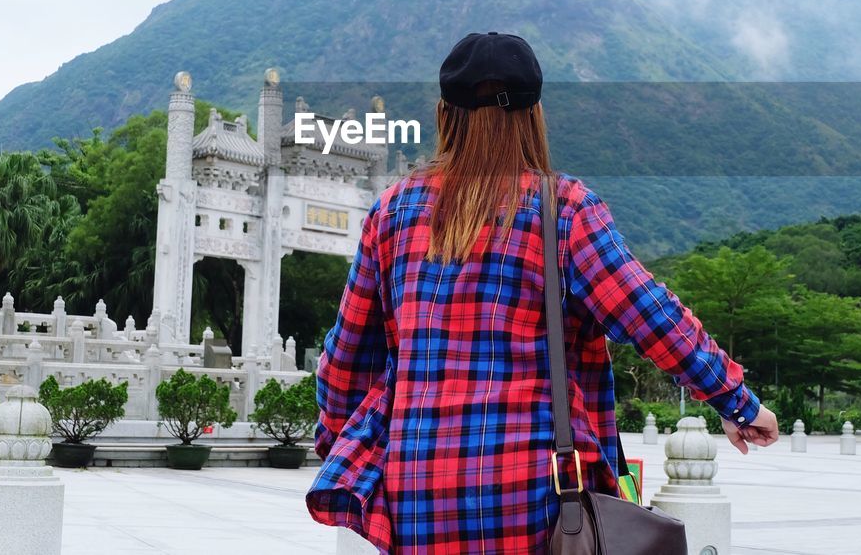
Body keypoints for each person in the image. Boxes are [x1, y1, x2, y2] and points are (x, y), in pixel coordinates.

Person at [306, 32, 780, 554]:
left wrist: (346, 450)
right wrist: (736, 401)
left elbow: (344, 363)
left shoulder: (392, 213)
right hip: (537, 497)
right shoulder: (564, 209)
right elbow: (650, 313)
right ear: (534, 116)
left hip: (418, 490)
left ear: (445, 115)